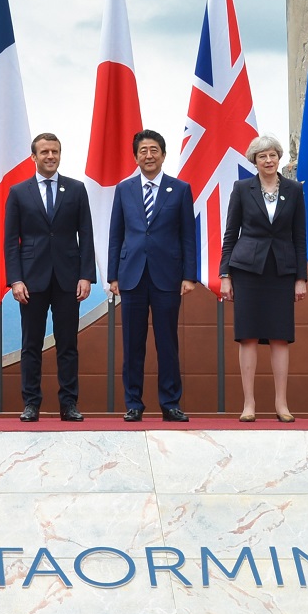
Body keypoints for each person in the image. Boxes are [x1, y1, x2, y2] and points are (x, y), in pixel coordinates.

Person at [107, 128, 198, 423]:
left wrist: (189, 275)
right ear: (135, 157)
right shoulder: (124, 189)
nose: (149, 155)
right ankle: (133, 403)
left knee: (167, 342)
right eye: (143, 151)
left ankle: (170, 403)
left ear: (163, 155)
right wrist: (112, 275)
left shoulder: (180, 189)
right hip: (131, 275)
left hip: (167, 276)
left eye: (154, 150)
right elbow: (116, 235)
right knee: (132, 343)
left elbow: (188, 236)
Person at [3, 132, 94, 422]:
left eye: (55, 151)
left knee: (68, 345)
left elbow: (86, 235)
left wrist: (86, 276)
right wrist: (15, 280)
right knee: (31, 345)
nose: (50, 156)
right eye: (44, 152)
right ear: (34, 157)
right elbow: (10, 241)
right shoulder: (19, 192)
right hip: (31, 280)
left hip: (68, 279)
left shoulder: (76, 189)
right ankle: (31, 404)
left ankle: (69, 404)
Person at [219, 134, 307, 423]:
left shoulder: (294, 190)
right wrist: (225, 275)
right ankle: (249, 403)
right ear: (254, 161)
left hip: (281, 271)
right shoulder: (242, 188)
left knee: (280, 336)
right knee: (248, 335)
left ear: (279, 158)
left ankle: (281, 403)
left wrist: (301, 278)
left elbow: (299, 237)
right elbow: (230, 233)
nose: (268, 160)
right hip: (247, 270)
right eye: (262, 156)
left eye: (272, 155)